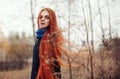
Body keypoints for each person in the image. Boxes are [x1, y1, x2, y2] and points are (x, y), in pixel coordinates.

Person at [31, 8, 64, 79]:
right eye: (41, 17)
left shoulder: (51, 41)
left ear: (51, 21)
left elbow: (56, 70)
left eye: (46, 17)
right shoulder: (39, 39)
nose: (42, 19)